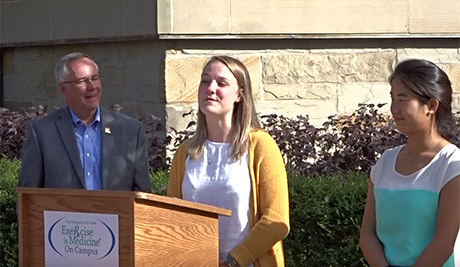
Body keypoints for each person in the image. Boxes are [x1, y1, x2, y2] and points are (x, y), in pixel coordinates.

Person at [167, 56, 289, 266]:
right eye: (205, 81)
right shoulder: (185, 152)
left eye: (221, 83)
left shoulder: (260, 146)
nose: (210, 88)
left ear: (239, 95)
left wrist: (233, 261)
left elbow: (276, 221)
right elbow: (171, 217)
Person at [360, 59, 460, 266]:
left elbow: (443, 244)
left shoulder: (452, 165)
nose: (394, 108)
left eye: (403, 99)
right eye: (393, 99)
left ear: (431, 105)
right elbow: (367, 233)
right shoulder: (385, 163)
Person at [18, 52, 151, 192]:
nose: (92, 86)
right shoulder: (42, 132)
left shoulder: (130, 131)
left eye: (94, 78)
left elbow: (143, 197)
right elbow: (28, 197)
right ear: (64, 88)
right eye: (82, 81)